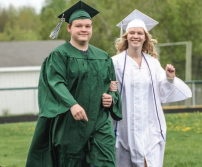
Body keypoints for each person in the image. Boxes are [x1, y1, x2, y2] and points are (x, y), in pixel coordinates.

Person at [25, 1, 122, 167]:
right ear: (69, 28)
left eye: (87, 26)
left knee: (106, 162)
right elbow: (55, 83)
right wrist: (72, 105)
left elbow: (112, 86)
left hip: (99, 122)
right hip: (69, 124)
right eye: (79, 26)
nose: (84, 29)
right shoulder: (59, 55)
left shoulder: (103, 57)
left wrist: (111, 98)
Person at [109, 9, 192, 167]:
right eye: (132, 32)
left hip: (150, 126)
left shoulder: (152, 63)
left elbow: (162, 91)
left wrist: (169, 78)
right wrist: (110, 88)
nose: (136, 36)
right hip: (125, 125)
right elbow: (108, 89)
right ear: (126, 37)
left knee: (149, 161)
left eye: (140, 33)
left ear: (145, 37)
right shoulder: (115, 62)